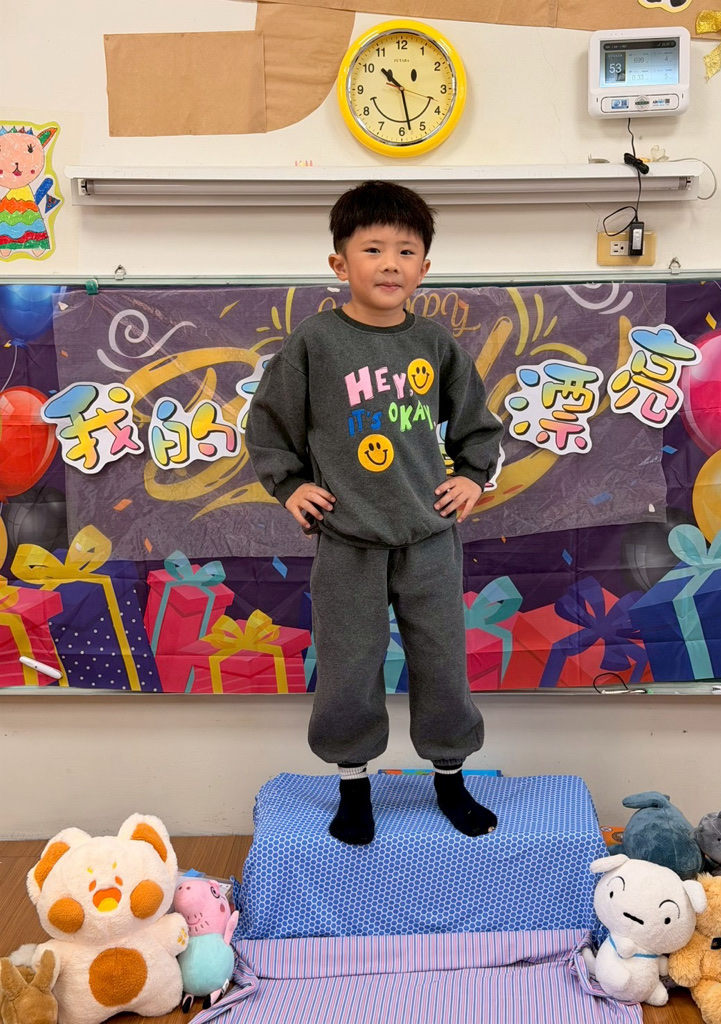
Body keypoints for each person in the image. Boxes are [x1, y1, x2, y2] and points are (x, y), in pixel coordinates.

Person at [245, 180, 504, 846]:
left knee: (442, 663)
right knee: (349, 669)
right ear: (340, 263)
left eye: (406, 251)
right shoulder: (315, 343)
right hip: (348, 541)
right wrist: (289, 485)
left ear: (425, 267)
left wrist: (472, 477)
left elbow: (478, 426)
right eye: (373, 249)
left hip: (428, 539)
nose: (390, 263)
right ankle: (353, 784)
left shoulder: (436, 344)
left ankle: (450, 779)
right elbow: (269, 425)